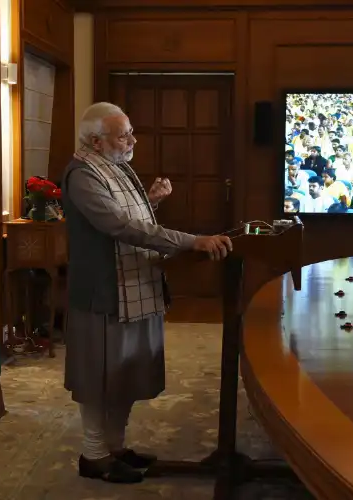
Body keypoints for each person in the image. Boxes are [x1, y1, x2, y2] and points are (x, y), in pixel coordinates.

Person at [61, 102, 233, 484]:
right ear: (96, 140)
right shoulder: (83, 175)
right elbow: (119, 226)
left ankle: (116, 449)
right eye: (123, 134)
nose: (132, 139)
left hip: (136, 286)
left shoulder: (116, 166)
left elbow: (129, 218)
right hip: (103, 294)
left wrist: (151, 201)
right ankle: (94, 455)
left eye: (129, 131)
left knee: (124, 375)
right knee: (97, 378)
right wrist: (192, 241)